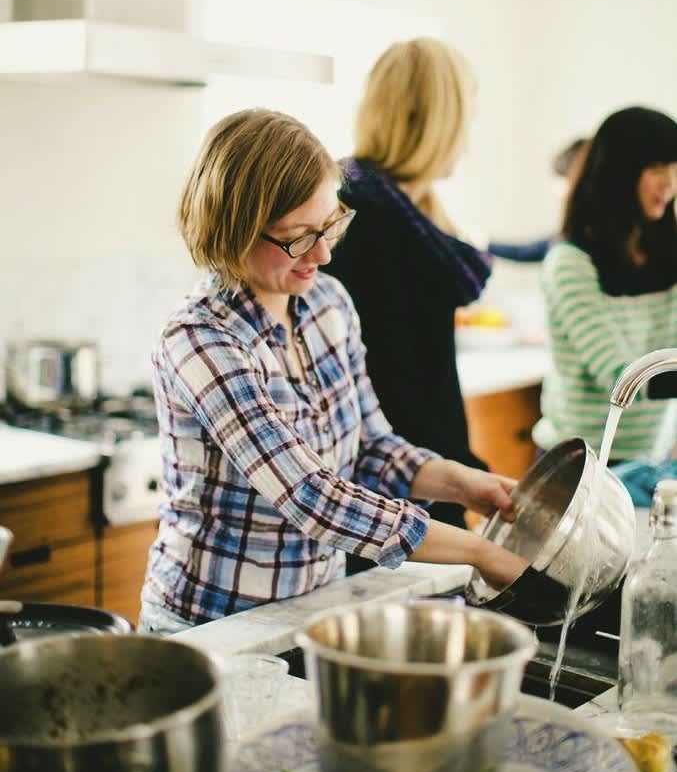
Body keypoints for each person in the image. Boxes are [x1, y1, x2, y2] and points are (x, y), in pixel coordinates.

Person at [138, 108, 526, 634]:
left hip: (310, 610)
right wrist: (478, 552)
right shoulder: (202, 340)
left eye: (329, 226)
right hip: (207, 626)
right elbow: (311, 497)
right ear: (232, 231)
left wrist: (470, 486)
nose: (320, 254)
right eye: (297, 237)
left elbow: (370, 448)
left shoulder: (328, 305)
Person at [325, 38, 491, 546]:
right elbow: (390, 385)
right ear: (436, 123)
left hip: (427, 477)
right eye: (465, 118)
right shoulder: (358, 219)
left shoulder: (412, 217)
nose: (467, 138)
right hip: (384, 497)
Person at [532, 106, 677, 468]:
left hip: (647, 462)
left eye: (675, 169)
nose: (670, 184)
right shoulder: (571, 263)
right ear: (621, 174)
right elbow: (621, 378)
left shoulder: (666, 256)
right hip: (576, 467)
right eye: (658, 169)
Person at [486, 137, 589, 263]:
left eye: (563, 183)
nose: (558, 192)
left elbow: (527, 252)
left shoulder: (576, 244)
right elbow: (524, 252)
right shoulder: (569, 237)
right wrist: (486, 243)